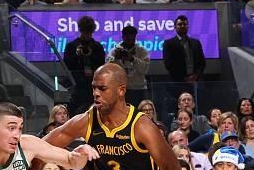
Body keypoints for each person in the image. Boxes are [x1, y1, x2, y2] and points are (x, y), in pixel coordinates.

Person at [42, 63, 180, 170]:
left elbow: (172, 167)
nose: (95, 93)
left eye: (102, 88)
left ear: (121, 90)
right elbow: (40, 147)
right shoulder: (87, 120)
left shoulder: (141, 126)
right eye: (94, 87)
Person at [0, 102, 99, 170]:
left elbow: (72, 163)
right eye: (11, 128)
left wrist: (80, 155)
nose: (17, 134)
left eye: (20, 128)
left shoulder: (27, 144)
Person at [63, 16, 105, 114]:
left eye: (89, 32)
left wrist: (92, 55)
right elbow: (67, 65)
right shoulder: (72, 46)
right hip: (76, 84)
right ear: (81, 30)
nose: (87, 34)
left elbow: (102, 64)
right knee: (76, 112)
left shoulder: (97, 47)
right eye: (85, 31)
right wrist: (77, 55)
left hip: (93, 84)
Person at [106, 25, 150, 105]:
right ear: (123, 37)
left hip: (139, 88)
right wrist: (115, 58)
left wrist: (132, 59)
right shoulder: (115, 50)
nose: (129, 41)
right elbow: (108, 69)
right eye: (127, 39)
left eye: (132, 39)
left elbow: (144, 69)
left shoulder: (142, 50)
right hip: (121, 89)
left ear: (135, 37)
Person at [163, 15, 206, 82]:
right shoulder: (168, 43)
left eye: (185, 24)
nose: (183, 26)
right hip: (177, 82)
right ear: (175, 27)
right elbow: (168, 65)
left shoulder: (196, 43)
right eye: (180, 24)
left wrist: (196, 75)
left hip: (195, 81)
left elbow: (202, 62)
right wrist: (184, 78)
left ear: (188, 26)